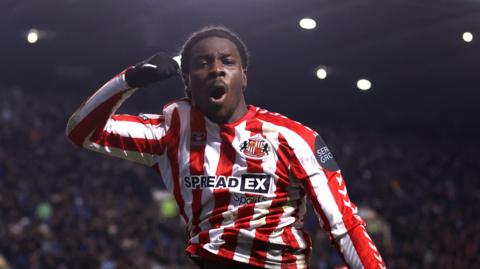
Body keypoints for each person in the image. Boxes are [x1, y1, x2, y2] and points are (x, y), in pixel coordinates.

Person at [66, 26, 385, 269]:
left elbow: (343, 225)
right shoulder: (171, 132)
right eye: (203, 63)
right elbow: (82, 131)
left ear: (243, 76)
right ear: (187, 80)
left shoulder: (294, 137)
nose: (216, 68)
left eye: (227, 62)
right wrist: (130, 80)